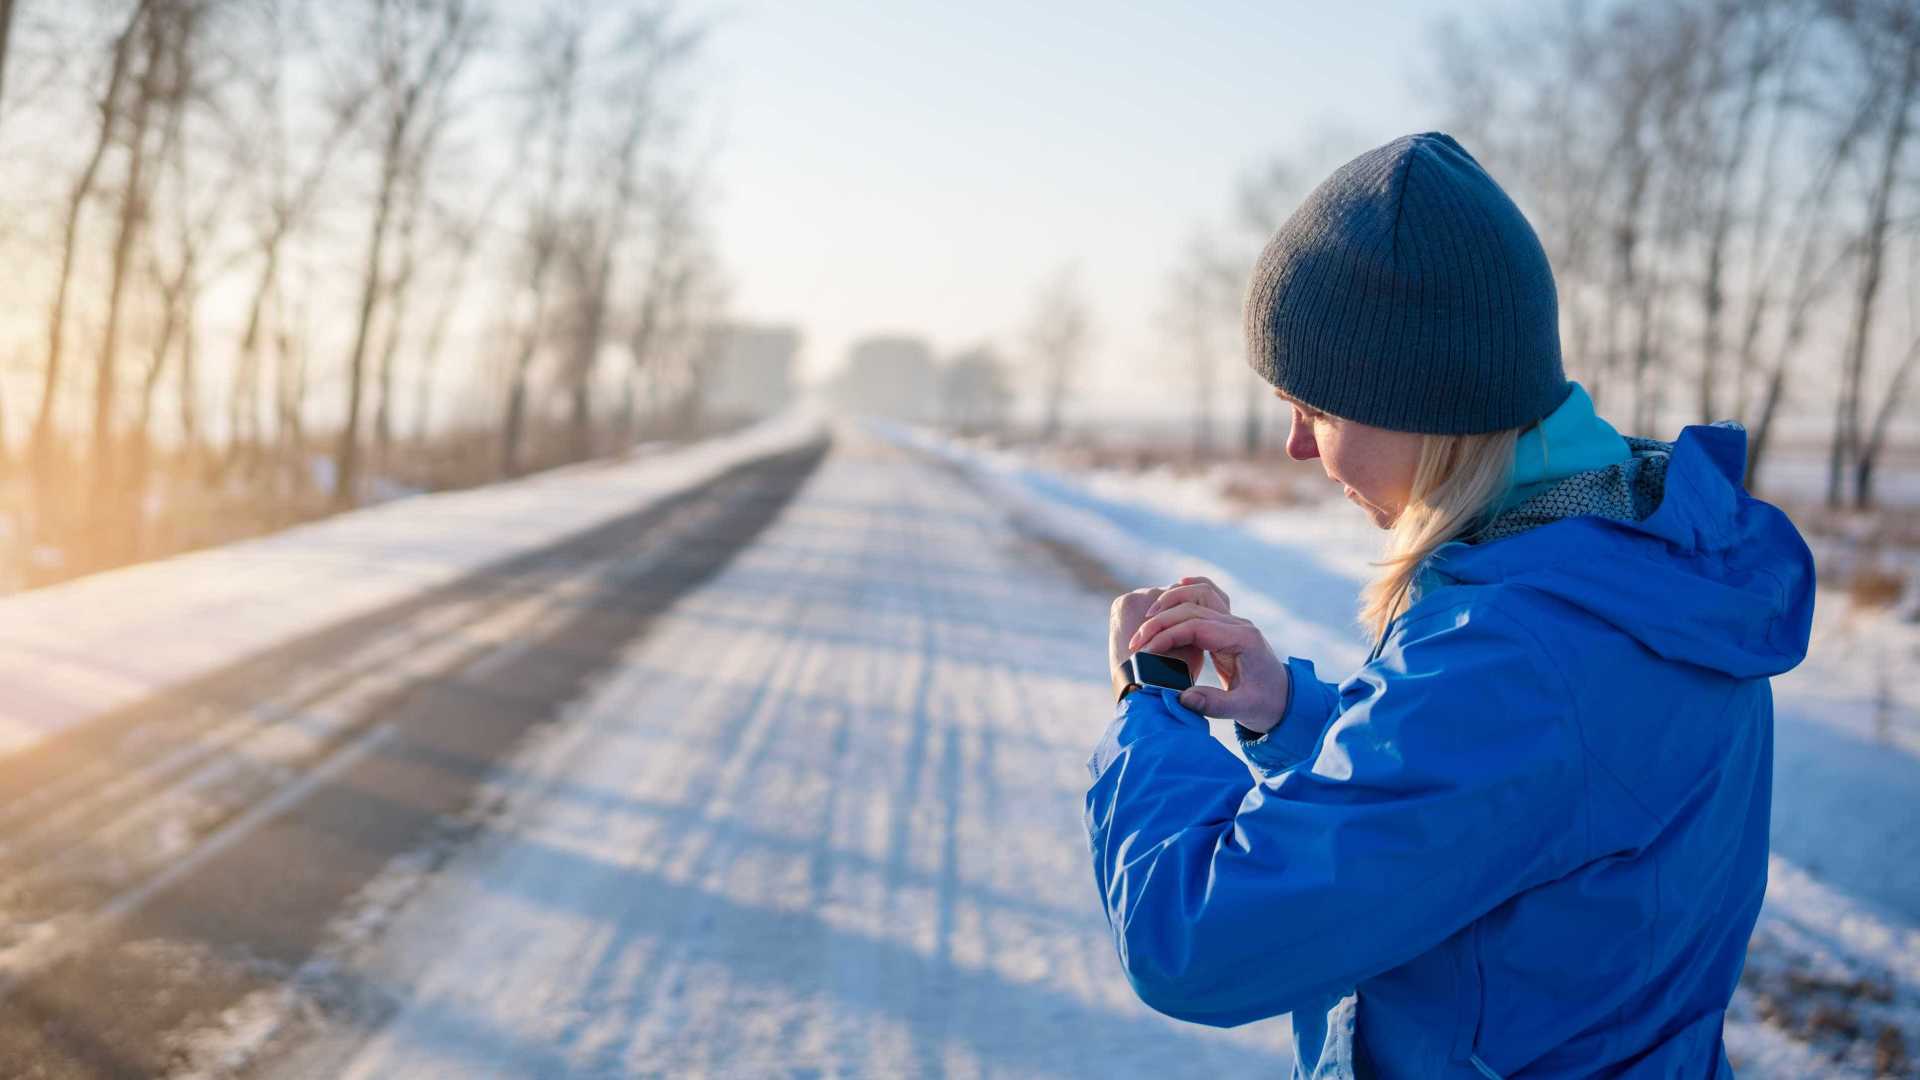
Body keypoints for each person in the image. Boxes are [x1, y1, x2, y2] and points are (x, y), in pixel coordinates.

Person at [1086, 132, 1815, 1078]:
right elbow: (1498, 819)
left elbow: (1200, 938)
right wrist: (1293, 715)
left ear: (1419, 401)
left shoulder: (1522, 651)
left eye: (1316, 409)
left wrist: (1147, 708)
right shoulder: (1639, 568)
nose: (1297, 449)